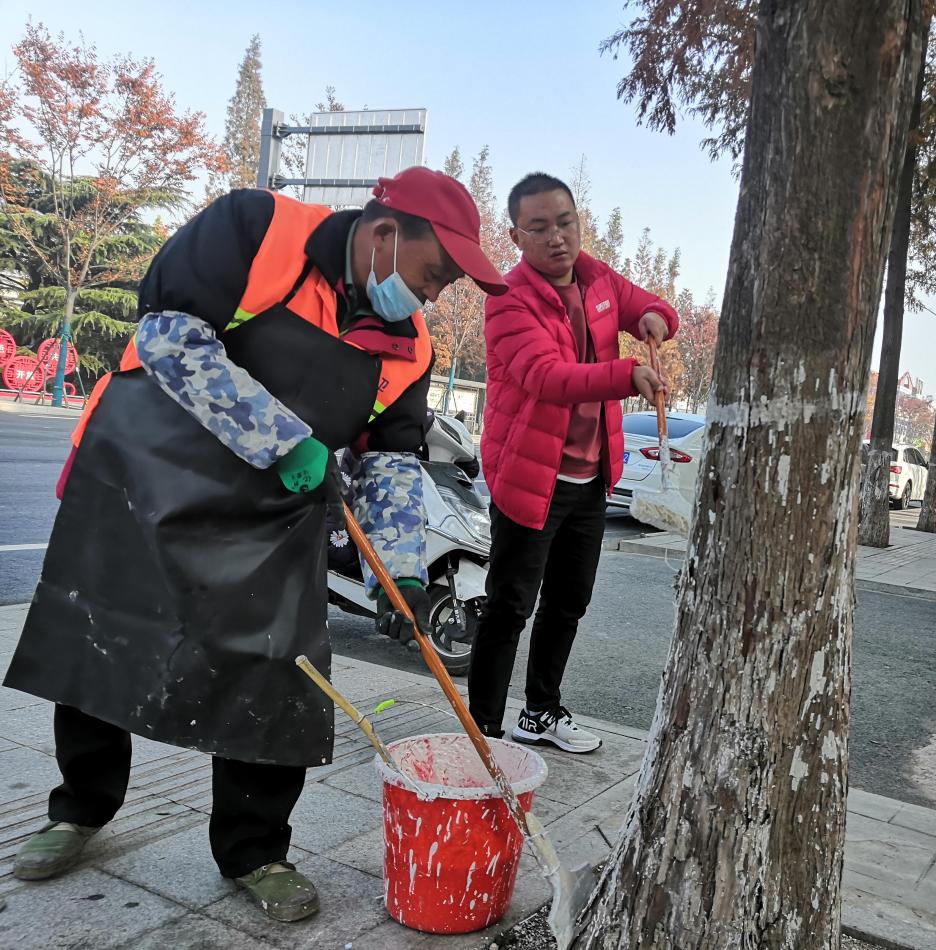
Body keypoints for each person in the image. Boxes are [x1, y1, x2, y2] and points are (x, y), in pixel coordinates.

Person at [2, 167, 507, 921]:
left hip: (272, 514)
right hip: (147, 475)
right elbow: (167, 332)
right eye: (433, 275)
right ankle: (78, 809)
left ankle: (255, 849)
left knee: (280, 671)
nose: (433, 296)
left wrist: (400, 577)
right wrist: (282, 440)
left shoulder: (409, 345)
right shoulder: (257, 227)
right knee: (105, 637)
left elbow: (392, 458)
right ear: (382, 234)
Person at [470, 173, 678, 753]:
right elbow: (546, 376)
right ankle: (482, 727)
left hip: (591, 479)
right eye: (539, 227)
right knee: (511, 603)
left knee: (568, 601)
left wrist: (659, 318)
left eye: (565, 222)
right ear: (516, 235)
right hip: (530, 478)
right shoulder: (507, 298)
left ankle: (540, 712)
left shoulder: (598, 278)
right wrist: (626, 376)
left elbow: (645, 306)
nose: (557, 237)